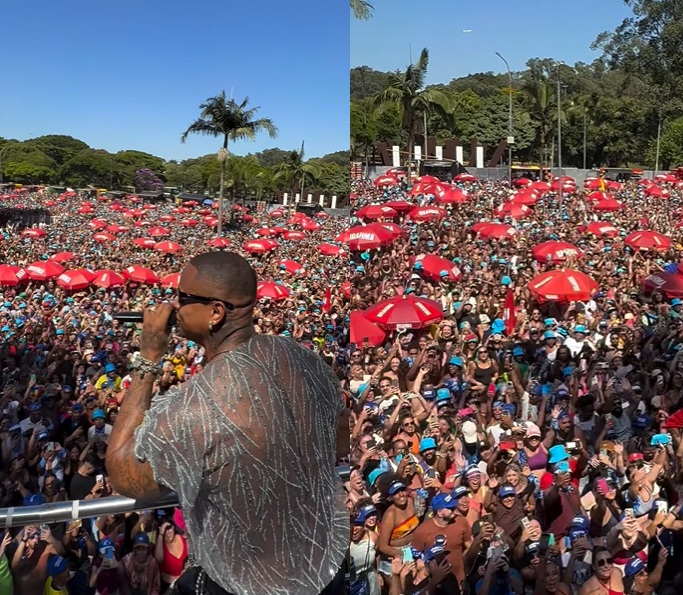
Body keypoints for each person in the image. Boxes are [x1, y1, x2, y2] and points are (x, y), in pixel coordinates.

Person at [106, 251, 348, 594]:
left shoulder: (195, 406)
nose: (172, 307)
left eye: (182, 298)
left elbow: (122, 471)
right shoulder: (305, 359)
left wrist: (148, 356)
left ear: (216, 313)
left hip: (246, 581)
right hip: (325, 568)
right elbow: (340, 442)